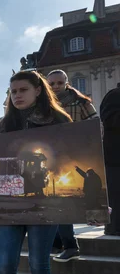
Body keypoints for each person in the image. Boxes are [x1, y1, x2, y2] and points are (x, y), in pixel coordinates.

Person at [0, 71, 72, 274]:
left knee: (39, 264)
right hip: (11, 202)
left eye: (23, 89)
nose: (17, 95)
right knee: (4, 264)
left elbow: (72, 160)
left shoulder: (60, 121)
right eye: (13, 91)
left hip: (45, 202)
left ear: (39, 90)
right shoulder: (5, 125)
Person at [47, 70, 98, 262]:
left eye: (59, 83)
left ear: (66, 83)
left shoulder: (81, 102)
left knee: (62, 200)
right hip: (54, 157)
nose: (56, 87)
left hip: (76, 154)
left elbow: (95, 123)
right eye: (51, 84)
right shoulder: (46, 105)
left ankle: (69, 245)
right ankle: (59, 242)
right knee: (55, 199)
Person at [100, 83, 120, 236]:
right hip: (115, 156)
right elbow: (109, 120)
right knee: (115, 194)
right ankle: (113, 228)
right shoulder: (114, 95)